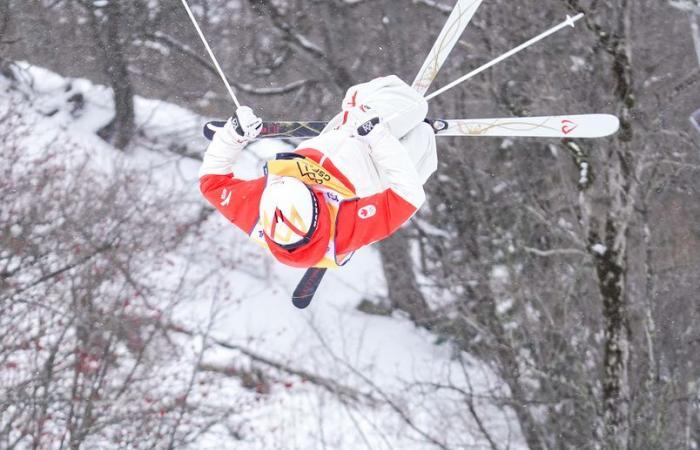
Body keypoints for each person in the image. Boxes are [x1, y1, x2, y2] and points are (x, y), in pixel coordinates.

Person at [199, 75, 437, 269]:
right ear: (315, 213)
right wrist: (379, 138)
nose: (307, 182)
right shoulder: (345, 230)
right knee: (423, 137)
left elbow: (211, 181)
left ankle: (358, 104)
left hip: (347, 135)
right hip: (379, 168)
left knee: (415, 104)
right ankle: (403, 128)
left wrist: (233, 136)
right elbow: (409, 196)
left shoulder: (256, 209)